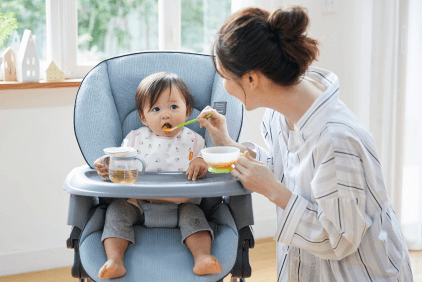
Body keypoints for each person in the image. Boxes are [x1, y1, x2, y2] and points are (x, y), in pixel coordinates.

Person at [197, 5, 413, 281]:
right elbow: (285, 170)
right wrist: (226, 143)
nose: (224, 86)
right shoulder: (283, 111)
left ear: (251, 79)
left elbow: (339, 239)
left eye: (225, 77)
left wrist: (273, 191)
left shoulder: (337, 141)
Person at [93, 72, 222, 279]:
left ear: (187, 111)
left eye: (174, 107)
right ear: (143, 117)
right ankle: (115, 260)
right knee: (117, 211)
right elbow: (120, 159)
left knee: (196, 217)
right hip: (138, 204)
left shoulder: (195, 140)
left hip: (182, 205)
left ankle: (202, 257)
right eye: (156, 109)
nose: (166, 115)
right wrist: (107, 164)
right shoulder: (135, 138)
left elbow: (208, 161)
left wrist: (201, 162)